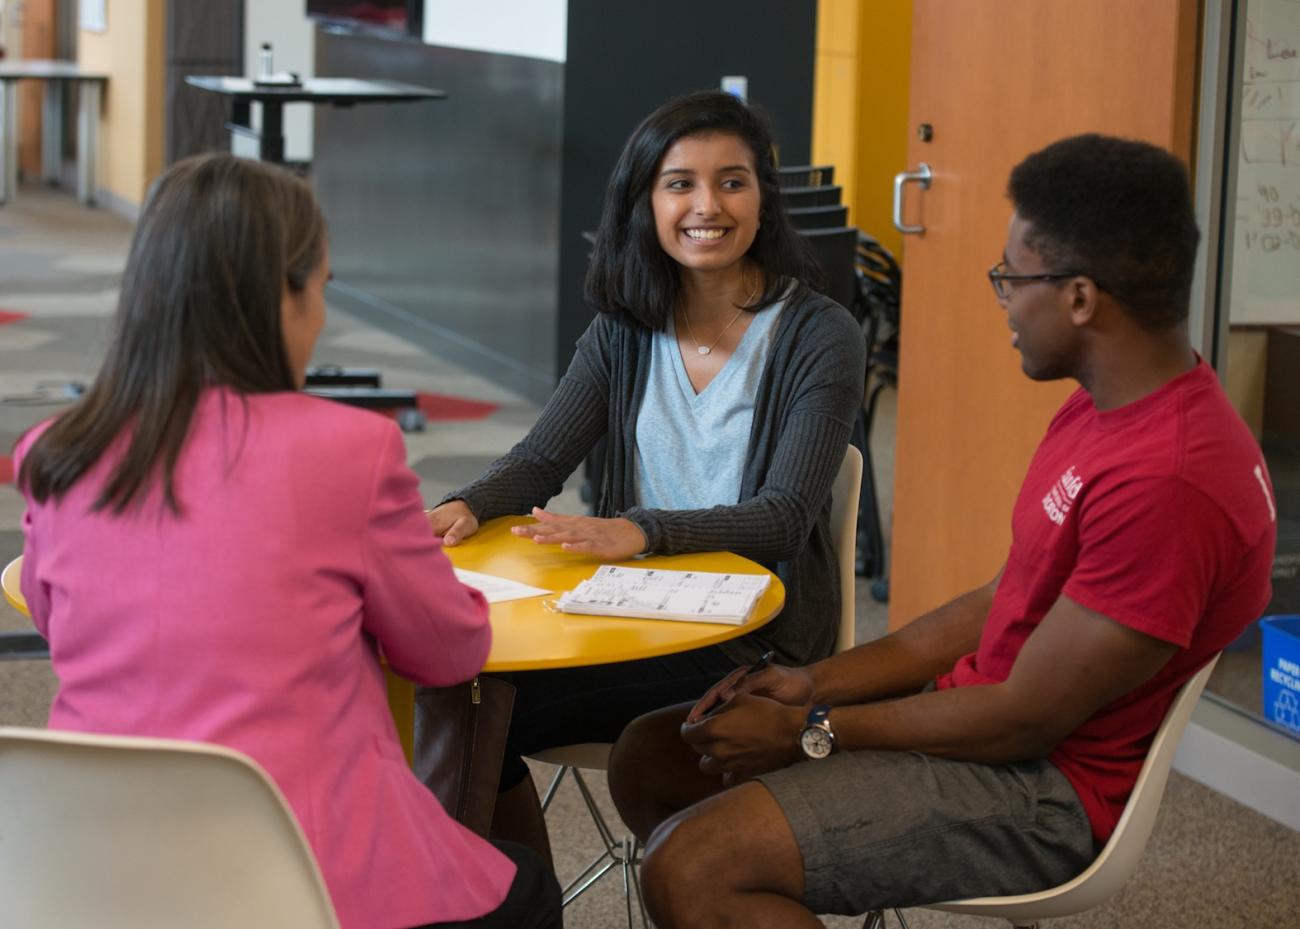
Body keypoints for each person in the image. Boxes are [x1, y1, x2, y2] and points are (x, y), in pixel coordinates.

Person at [605, 134, 1279, 929]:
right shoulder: (1104, 405)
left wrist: (810, 732)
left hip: (1042, 789)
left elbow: (1029, 717)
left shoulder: (1172, 477)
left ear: (1080, 299)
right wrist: (814, 684)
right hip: (986, 722)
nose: (1002, 299)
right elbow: (1005, 598)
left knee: (694, 868)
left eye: (1011, 277)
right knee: (656, 756)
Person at [13, 153, 561, 929]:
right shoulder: (350, 451)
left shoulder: (56, 450)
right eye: (322, 290)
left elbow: (51, 611)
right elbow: (449, 653)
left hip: (93, 873)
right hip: (307, 877)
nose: (322, 318)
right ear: (282, 295)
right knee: (529, 888)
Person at [424, 90, 866, 859]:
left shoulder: (819, 334)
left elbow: (785, 515)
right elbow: (540, 459)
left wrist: (641, 529)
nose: (707, 205)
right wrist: (464, 503)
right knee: (452, 688)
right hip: (630, 608)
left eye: (732, 181)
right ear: (645, 201)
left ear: (764, 196)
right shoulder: (625, 327)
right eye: (679, 183)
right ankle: (511, 907)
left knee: (478, 708)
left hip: (752, 637)